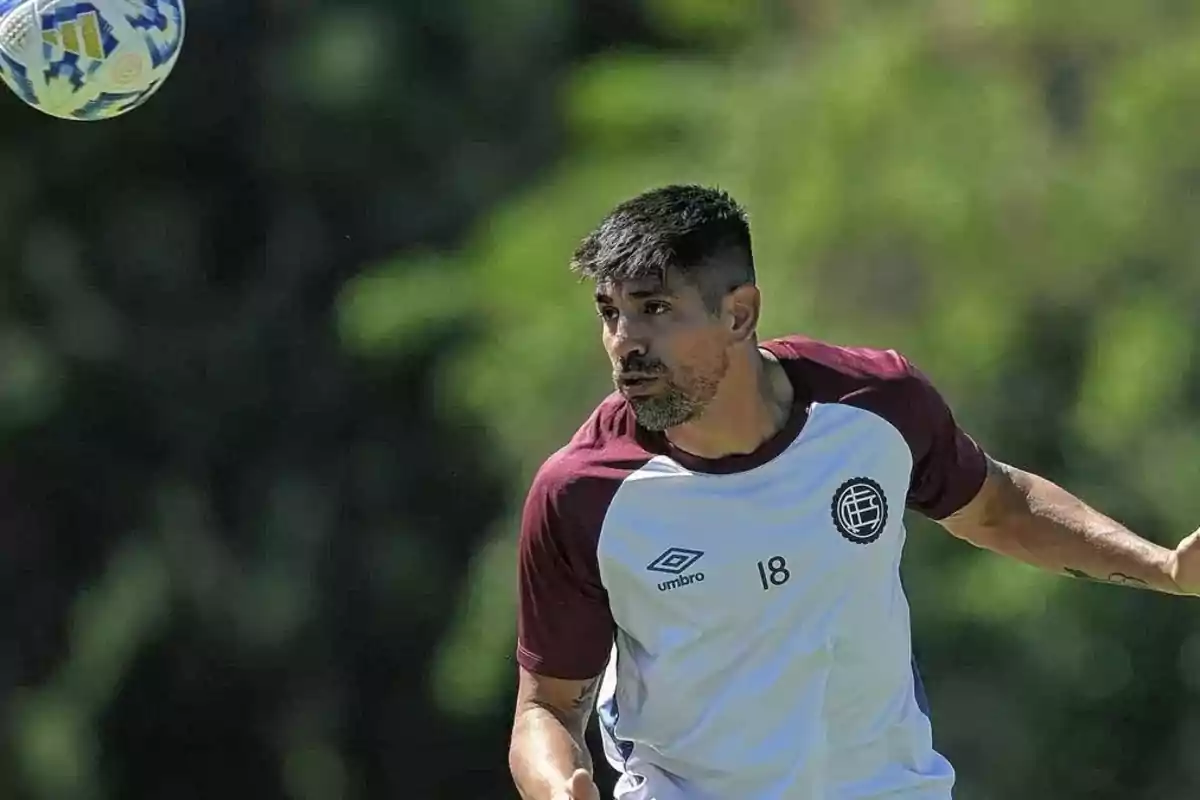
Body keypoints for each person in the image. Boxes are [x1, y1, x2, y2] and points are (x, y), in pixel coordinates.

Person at [507, 184, 1200, 800]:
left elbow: (999, 507)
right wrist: (557, 788)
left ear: (740, 314)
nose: (625, 342)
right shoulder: (582, 496)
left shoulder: (876, 406)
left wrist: (1165, 569)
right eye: (610, 312)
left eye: (655, 309)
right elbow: (547, 708)